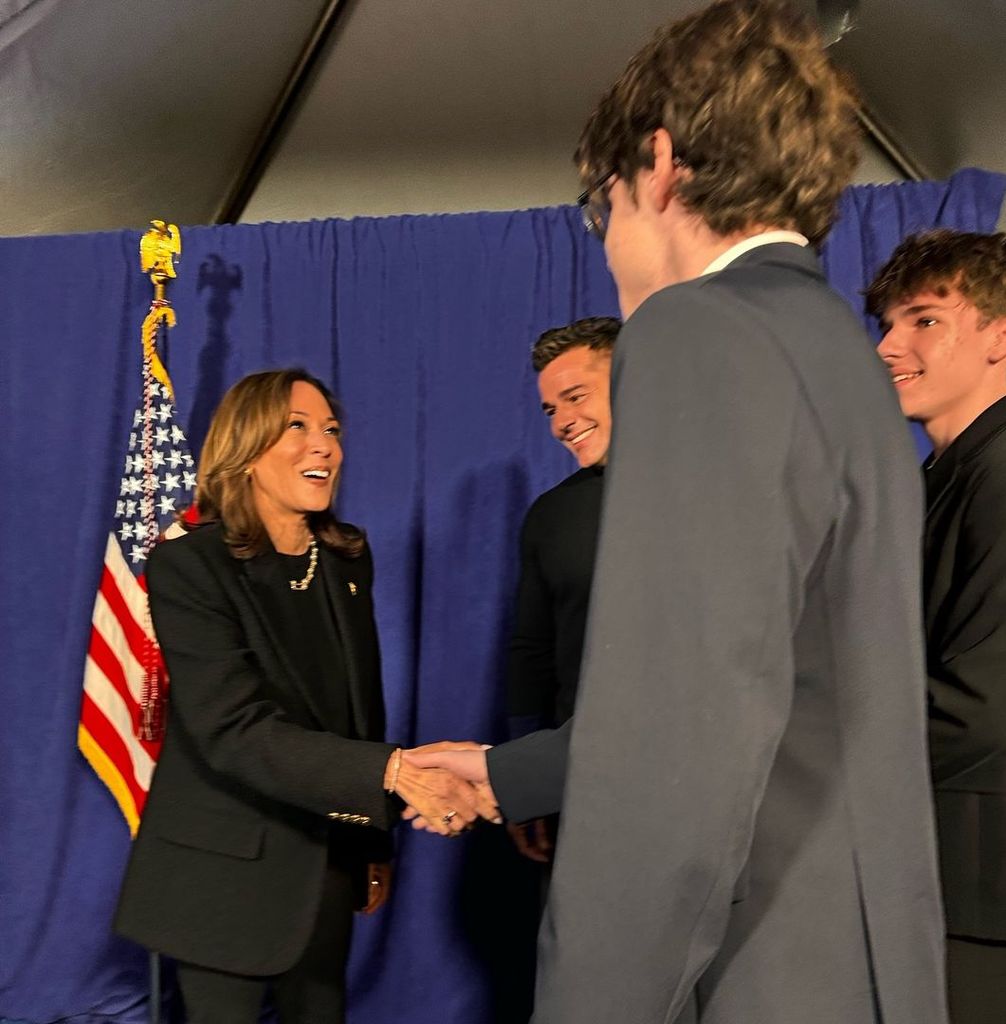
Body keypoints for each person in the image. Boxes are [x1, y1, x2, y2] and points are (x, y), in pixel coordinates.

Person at [411, 2, 948, 1021]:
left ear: (657, 165)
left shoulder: (696, 331)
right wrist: (508, 770)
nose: (608, 247)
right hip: (856, 960)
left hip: (759, 965)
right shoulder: (836, 347)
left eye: (598, 208)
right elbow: (784, 681)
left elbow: (685, 730)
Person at [114, 369, 494, 1023]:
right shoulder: (190, 566)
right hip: (222, 877)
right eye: (298, 427)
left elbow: (357, 712)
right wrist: (395, 774)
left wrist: (371, 846)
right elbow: (233, 730)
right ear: (246, 448)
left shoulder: (344, 558)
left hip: (325, 869)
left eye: (332, 430)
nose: (324, 446)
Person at [868, 229, 1006, 1024]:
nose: (889, 344)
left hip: (988, 893)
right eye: (888, 323)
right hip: (943, 875)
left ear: (1005, 336)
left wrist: (823, 770)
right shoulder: (938, 477)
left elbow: (989, 704)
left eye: (924, 320)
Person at [504, 316, 619, 864]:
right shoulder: (552, 517)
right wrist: (525, 786)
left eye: (576, 397)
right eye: (551, 409)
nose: (562, 423)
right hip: (582, 788)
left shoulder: (719, 488)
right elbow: (532, 655)